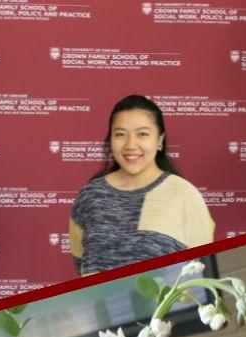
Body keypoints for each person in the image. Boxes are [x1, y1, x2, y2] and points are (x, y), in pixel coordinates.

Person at [70, 94, 214, 277]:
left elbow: (201, 267)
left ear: (160, 139)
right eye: (120, 134)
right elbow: (79, 261)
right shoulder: (89, 195)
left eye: (142, 134)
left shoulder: (184, 194)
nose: (131, 144)